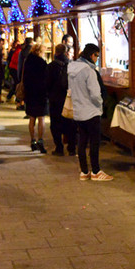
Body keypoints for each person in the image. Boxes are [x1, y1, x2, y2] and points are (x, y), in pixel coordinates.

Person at [67, 43, 111, 181]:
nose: (97, 59)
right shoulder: (89, 71)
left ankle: (84, 171)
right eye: (97, 56)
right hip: (91, 111)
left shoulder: (72, 69)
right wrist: (100, 104)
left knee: (82, 141)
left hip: (79, 111)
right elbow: (95, 93)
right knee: (94, 142)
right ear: (92, 55)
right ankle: (96, 171)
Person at [45, 44, 75, 156]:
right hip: (68, 99)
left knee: (55, 124)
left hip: (55, 99)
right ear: (66, 52)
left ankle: (59, 148)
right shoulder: (72, 65)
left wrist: (49, 95)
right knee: (70, 123)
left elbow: (47, 84)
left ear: (56, 52)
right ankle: (71, 148)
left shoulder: (51, 66)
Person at [21, 41, 50, 153]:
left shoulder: (27, 61)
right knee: (41, 118)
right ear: (40, 51)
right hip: (41, 93)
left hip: (30, 93)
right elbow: (46, 79)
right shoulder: (42, 63)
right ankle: (40, 140)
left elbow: (23, 76)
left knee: (32, 118)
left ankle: (32, 141)